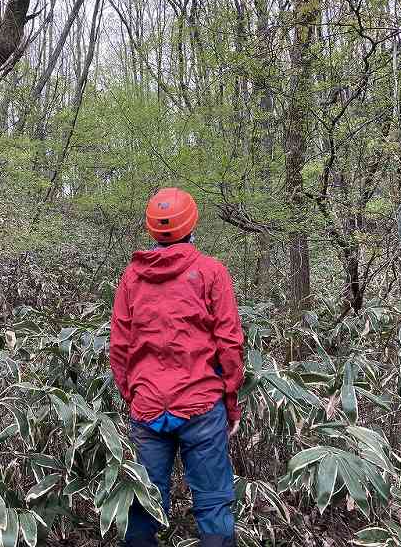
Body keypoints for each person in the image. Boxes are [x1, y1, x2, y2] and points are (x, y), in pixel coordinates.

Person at [110, 187, 244, 547]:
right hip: (201, 406)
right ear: (192, 225)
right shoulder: (210, 272)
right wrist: (230, 403)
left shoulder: (132, 278)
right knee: (214, 502)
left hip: (148, 408)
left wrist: (134, 396)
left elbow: (119, 346)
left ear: (152, 230)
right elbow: (229, 344)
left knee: (143, 504)